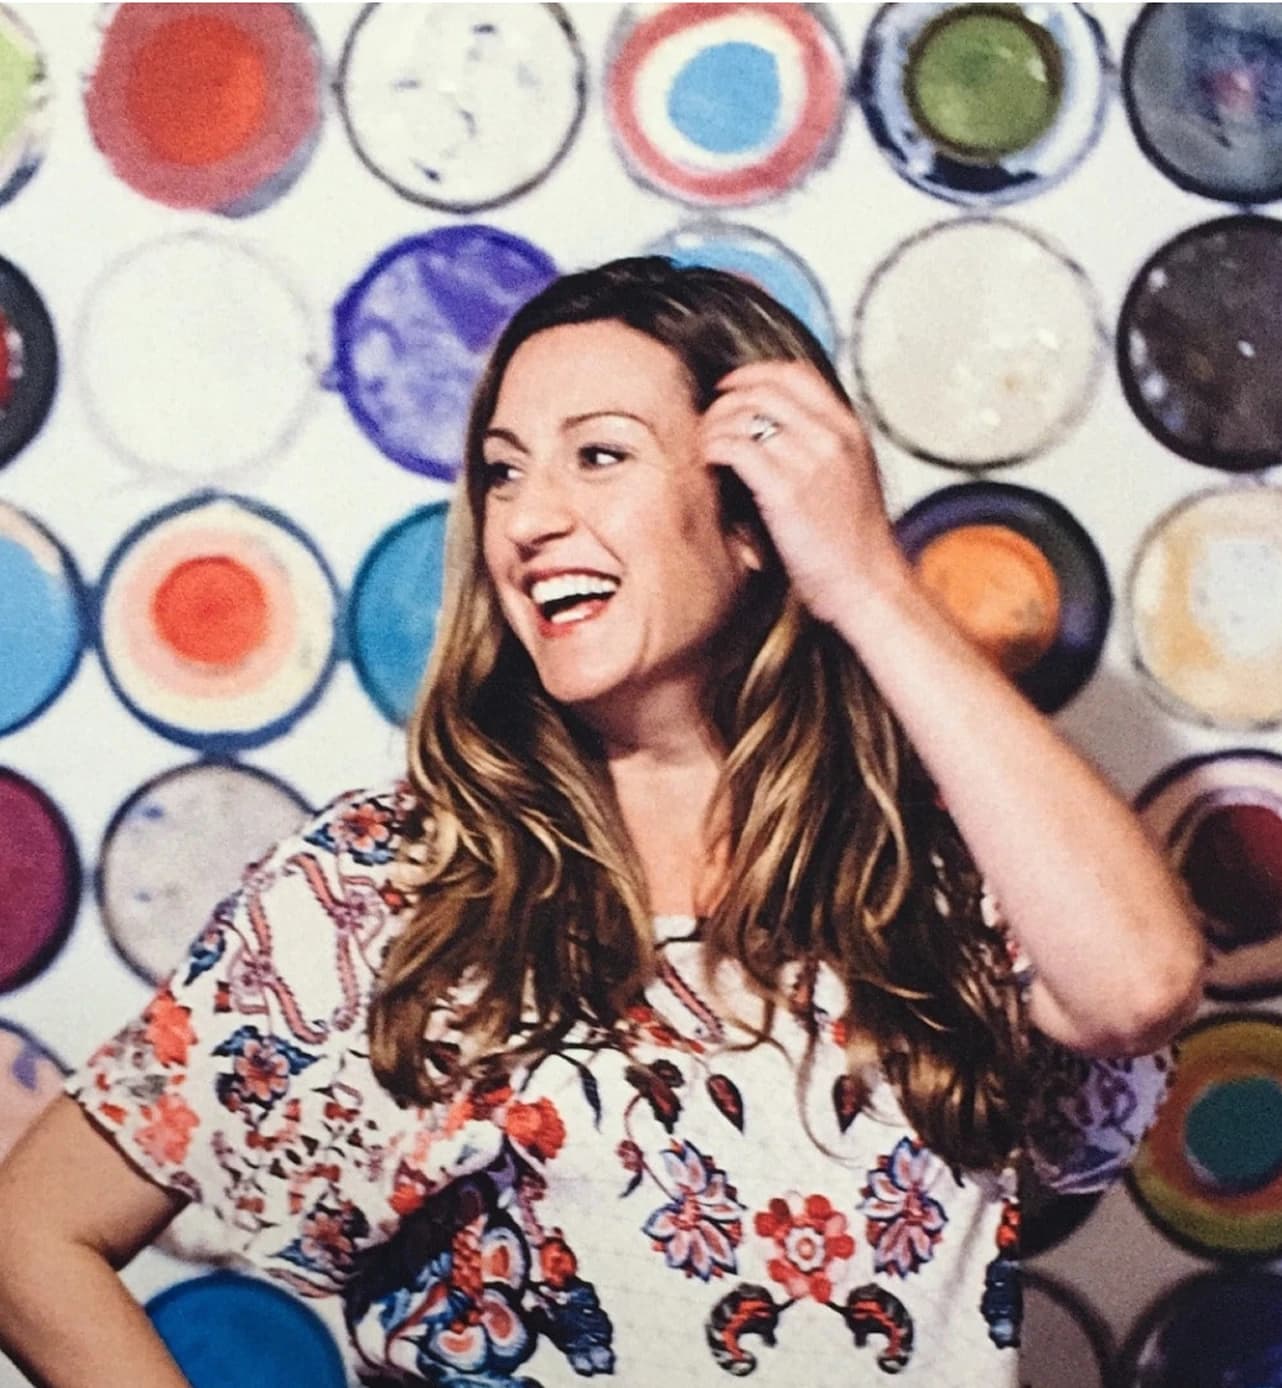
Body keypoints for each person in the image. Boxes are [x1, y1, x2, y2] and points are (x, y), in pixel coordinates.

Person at [0, 258, 1202, 1386]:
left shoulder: (942, 859)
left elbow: (1135, 985)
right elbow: (30, 1234)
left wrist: (866, 581)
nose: (525, 520)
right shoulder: (382, 887)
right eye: (505, 469)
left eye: (599, 455)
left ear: (752, 519)